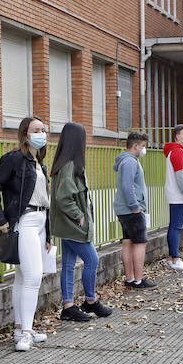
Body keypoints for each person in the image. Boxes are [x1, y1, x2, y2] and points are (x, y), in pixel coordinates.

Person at [0, 117, 55, 351]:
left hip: (40, 221)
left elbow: (45, 201)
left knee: (24, 277)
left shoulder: (40, 163)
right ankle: (26, 332)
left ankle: (21, 328)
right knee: (33, 276)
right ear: (25, 134)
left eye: (44, 130)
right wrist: (1, 220)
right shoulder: (14, 159)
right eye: (36, 130)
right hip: (24, 220)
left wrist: (49, 234)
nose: (41, 133)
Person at [51, 122, 113, 322]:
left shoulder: (65, 163)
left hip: (66, 225)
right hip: (73, 225)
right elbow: (63, 197)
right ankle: (90, 301)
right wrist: (79, 215)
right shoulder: (69, 165)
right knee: (92, 260)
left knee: (68, 264)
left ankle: (68, 307)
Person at [114, 131, 156, 289]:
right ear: (136, 146)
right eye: (143, 146)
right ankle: (138, 280)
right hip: (131, 210)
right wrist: (135, 206)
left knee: (128, 242)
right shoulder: (130, 162)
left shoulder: (125, 160)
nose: (144, 149)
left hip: (124, 209)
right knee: (140, 243)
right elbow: (127, 186)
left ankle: (130, 279)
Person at [162, 124, 183, 270]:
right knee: (176, 227)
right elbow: (180, 176)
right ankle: (175, 259)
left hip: (175, 193)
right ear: (177, 136)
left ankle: (174, 257)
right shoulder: (177, 151)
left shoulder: (174, 151)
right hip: (178, 195)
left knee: (174, 226)